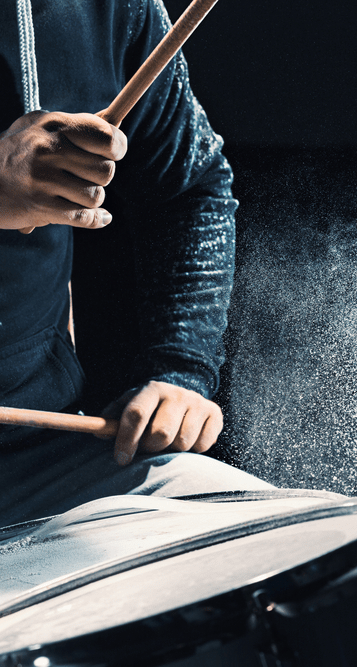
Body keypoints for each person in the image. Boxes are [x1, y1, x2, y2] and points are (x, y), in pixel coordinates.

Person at [0, 0, 272, 526]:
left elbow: (192, 189)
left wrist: (181, 370)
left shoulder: (112, 9)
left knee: (271, 544)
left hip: (39, 451)